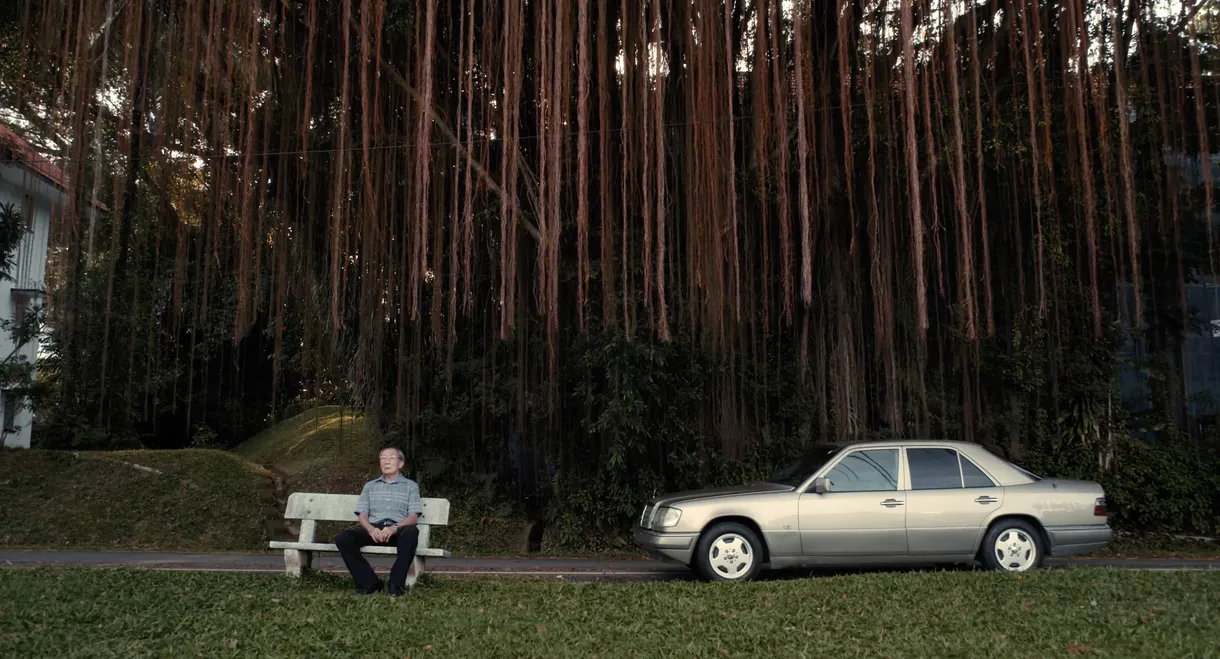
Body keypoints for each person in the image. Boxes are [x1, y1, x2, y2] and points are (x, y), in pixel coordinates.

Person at [334, 447, 423, 596]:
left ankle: (395, 586)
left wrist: (394, 528)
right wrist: (370, 529)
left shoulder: (411, 486)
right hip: (374, 530)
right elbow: (362, 514)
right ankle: (369, 584)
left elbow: (413, 516)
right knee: (343, 538)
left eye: (391, 458)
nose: (386, 461)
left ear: (400, 464)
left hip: (398, 530)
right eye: (383, 458)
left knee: (411, 532)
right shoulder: (370, 486)